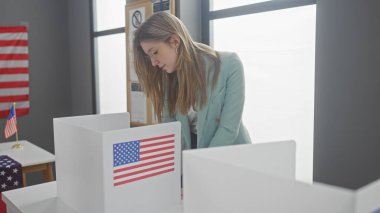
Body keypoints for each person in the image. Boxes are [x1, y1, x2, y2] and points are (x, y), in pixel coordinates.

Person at [133, 12, 251, 150]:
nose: (153, 62)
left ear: (175, 41)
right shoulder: (167, 78)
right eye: (149, 56)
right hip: (192, 157)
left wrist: (200, 163)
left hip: (233, 155)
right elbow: (170, 130)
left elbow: (229, 128)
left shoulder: (230, 64)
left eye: (155, 52)